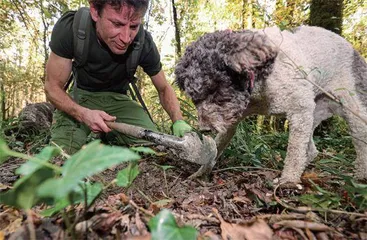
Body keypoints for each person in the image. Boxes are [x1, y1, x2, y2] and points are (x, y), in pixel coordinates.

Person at [45, 0, 192, 154]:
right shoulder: (71, 27)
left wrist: (178, 120)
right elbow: (52, 87)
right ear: (95, 12)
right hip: (81, 99)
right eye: (117, 24)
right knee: (60, 154)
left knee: (154, 150)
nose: (126, 38)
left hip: (120, 102)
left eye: (134, 26)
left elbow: (163, 88)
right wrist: (83, 114)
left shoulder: (143, 42)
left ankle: (109, 137)